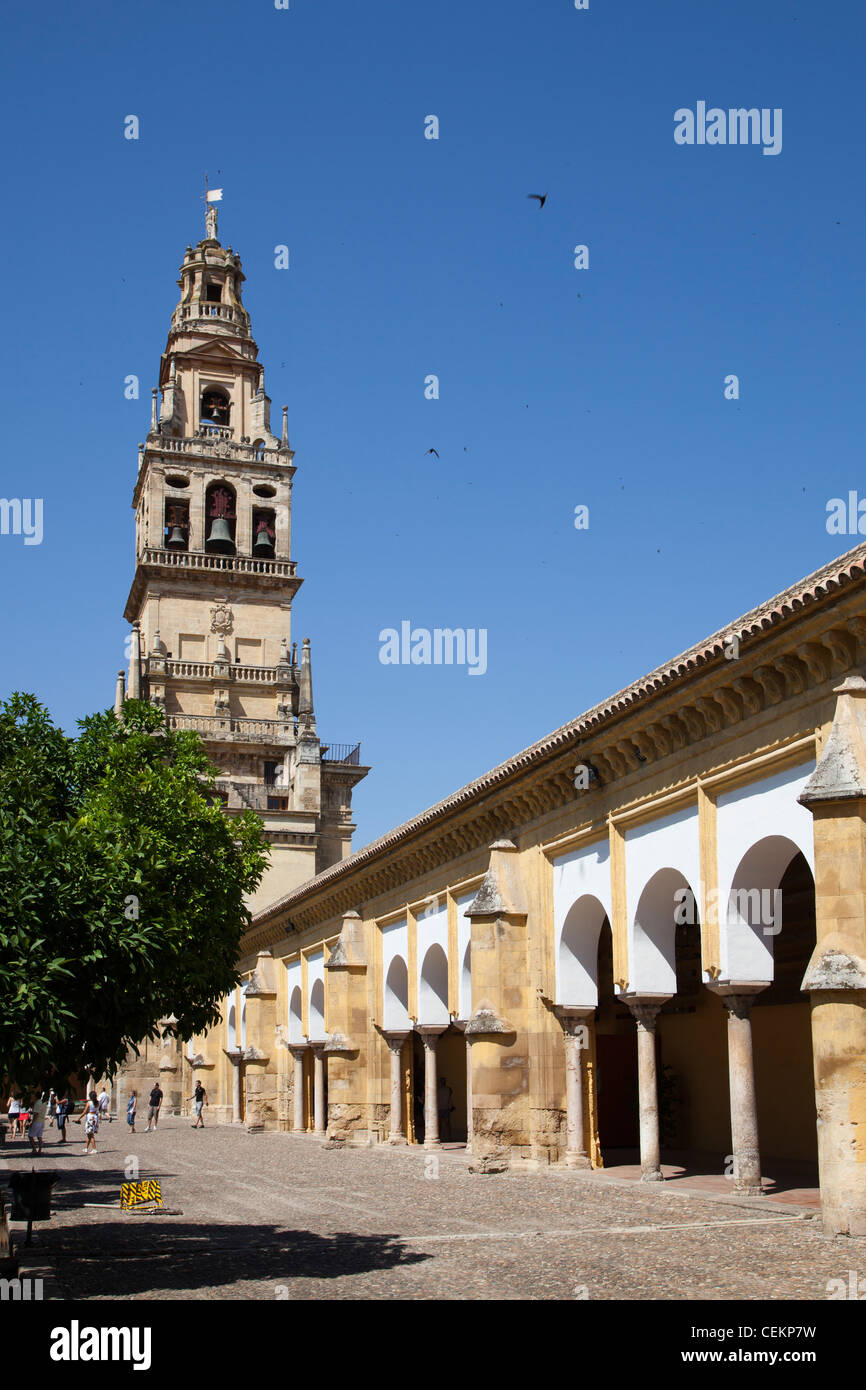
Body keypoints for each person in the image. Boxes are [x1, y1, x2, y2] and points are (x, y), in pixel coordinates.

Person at [437, 1077, 454, 1143]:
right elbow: (450, 1097)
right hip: (445, 1108)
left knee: (440, 1124)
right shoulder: (448, 1089)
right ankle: (448, 1137)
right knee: (446, 1124)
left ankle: (441, 1137)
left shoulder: (438, 1089)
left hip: (441, 1108)